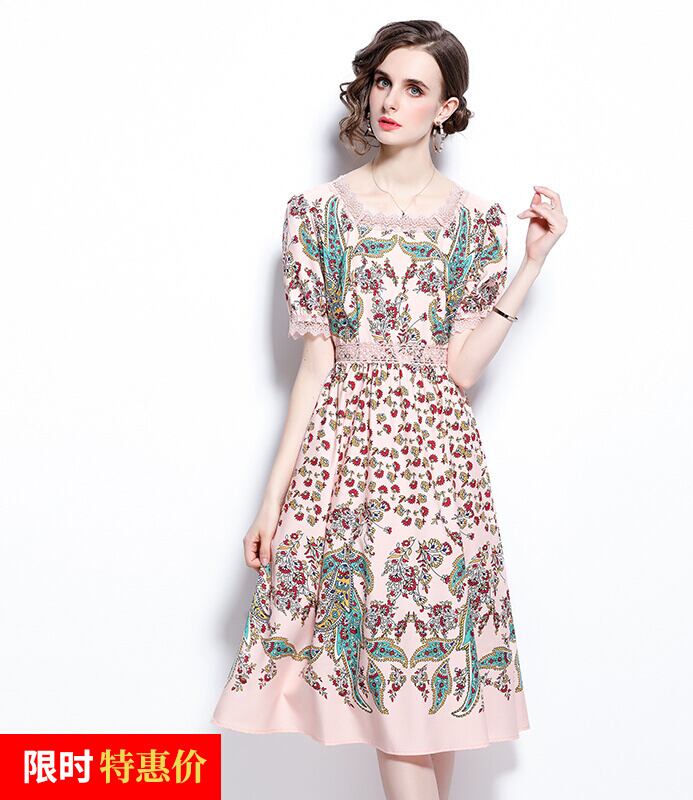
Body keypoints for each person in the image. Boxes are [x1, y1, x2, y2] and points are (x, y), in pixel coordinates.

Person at [211, 19, 567, 800]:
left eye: (414, 88)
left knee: (434, 689)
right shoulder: (316, 212)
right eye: (382, 82)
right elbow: (315, 368)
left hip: (442, 469)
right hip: (350, 463)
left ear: (447, 108)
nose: (390, 101)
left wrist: (531, 265)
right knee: (389, 690)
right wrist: (272, 501)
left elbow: (461, 369)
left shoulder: (477, 220)